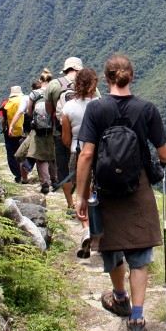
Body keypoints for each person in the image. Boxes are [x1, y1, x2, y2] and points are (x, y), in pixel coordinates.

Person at [74, 54, 166, 331]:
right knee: (139, 256)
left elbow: (87, 154)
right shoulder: (147, 110)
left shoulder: (96, 109)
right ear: (133, 77)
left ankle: (119, 297)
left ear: (106, 79)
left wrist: (80, 195)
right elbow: (164, 153)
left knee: (112, 247)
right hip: (137, 187)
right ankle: (138, 319)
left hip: (104, 189)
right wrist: (162, 163)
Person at [61, 67, 99, 257]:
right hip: (100, 153)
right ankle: (99, 230)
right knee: (97, 190)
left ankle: (86, 228)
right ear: (94, 84)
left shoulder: (68, 108)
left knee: (82, 192)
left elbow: (66, 138)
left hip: (77, 153)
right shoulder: (101, 105)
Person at [45, 56, 89, 215]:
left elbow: (49, 110)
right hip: (86, 136)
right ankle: (85, 201)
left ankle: (71, 205)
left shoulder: (54, 85)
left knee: (63, 169)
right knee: (86, 168)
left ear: (66, 69)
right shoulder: (90, 85)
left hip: (61, 133)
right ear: (80, 69)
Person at [11, 71, 56, 191]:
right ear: (51, 80)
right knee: (52, 155)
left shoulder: (34, 94)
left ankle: (45, 183)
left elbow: (29, 113)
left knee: (41, 157)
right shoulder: (54, 91)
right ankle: (55, 180)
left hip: (38, 130)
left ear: (40, 81)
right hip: (52, 128)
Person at [0, 85, 25, 182]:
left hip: (10, 132)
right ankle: (25, 174)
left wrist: (5, 129)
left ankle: (18, 176)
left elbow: (3, 119)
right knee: (23, 152)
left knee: (11, 153)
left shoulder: (6, 103)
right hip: (24, 131)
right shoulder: (25, 101)